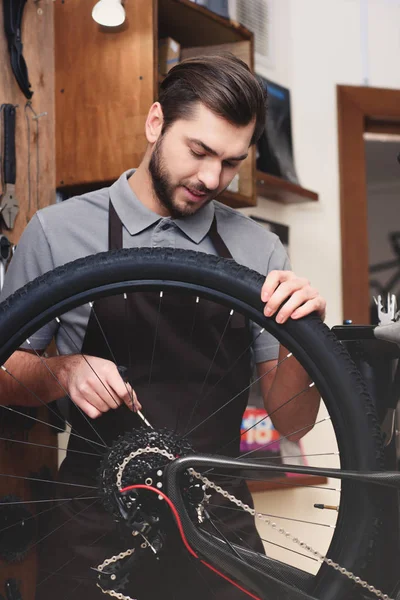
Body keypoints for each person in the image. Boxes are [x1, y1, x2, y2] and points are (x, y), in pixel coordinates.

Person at [0, 54, 326, 599]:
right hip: (92, 523)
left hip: (219, 524)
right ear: (156, 123)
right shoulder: (58, 231)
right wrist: (63, 370)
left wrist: (304, 332)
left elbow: (292, 424)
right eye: (198, 151)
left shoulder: (259, 248)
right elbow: (4, 372)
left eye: (230, 163)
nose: (210, 178)